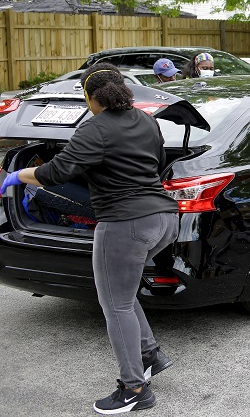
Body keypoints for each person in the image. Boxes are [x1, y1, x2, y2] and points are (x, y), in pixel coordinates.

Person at [1, 63, 178, 414]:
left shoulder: (93, 128)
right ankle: (149, 354)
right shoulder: (147, 120)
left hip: (125, 224)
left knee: (115, 304)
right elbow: (157, 162)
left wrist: (19, 174)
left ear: (89, 97)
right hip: (165, 218)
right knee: (122, 297)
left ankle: (134, 389)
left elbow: (57, 172)